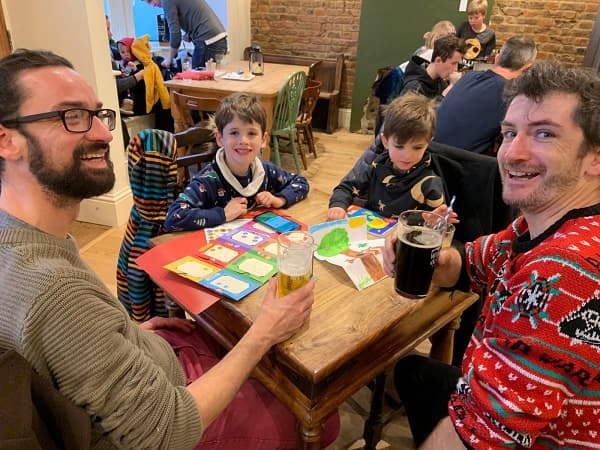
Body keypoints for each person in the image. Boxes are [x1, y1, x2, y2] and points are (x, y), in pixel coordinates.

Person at [0, 49, 339, 449]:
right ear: (7, 141)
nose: (105, 134)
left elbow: (63, 343)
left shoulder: (28, 238)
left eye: (98, 115)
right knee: (325, 418)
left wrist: (124, 332)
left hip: (151, 358)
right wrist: (264, 331)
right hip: (165, 420)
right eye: (71, 116)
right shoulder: (53, 292)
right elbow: (166, 433)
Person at [383, 60, 600, 449]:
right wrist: (438, 259)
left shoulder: (567, 270)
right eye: (509, 132)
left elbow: (482, 439)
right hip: (497, 396)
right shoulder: (537, 225)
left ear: (595, 158)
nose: (512, 153)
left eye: (544, 134)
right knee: (415, 373)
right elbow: (473, 262)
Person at [164, 93, 309, 231]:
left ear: (264, 140)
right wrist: (223, 214)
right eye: (234, 133)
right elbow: (173, 218)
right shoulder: (207, 181)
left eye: (251, 133)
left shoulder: (265, 170)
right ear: (220, 138)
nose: (243, 141)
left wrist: (280, 199)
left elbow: (301, 182)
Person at [328, 93, 445, 220]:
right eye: (399, 146)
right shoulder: (378, 164)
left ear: (428, 143)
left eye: (417, 147)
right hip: (371, 233)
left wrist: (430, 220)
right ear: (385, 141)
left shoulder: (430, 183)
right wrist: (338, 206)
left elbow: (435, 223)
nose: (407, 156)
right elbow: (346, 187)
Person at [434, 35, 537, 155]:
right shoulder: (513, 97)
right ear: (528, 69)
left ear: (497, 59)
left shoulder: (468, 77)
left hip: (430, 156)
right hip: (457, 167)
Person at [143, 0, 227, 70]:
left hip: (208, 42)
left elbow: (175, 35)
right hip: (220, 39)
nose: (152, 5)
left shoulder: (166, 2)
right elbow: (196, 16)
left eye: (150, 0)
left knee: (198, 85)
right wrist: (189, 35)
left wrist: (169, 58)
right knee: (212, 83)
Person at [401, 34, 466, 101]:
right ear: (438, 60)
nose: (455, 69)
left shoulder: (441, 83)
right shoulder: (413, 89)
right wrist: (446, 93)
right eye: (453, 63)